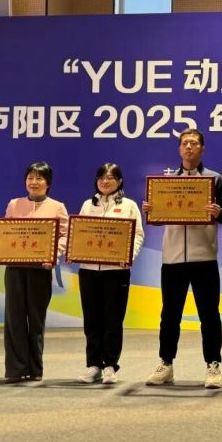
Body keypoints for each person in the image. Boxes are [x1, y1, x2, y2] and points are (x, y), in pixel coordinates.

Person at [143, 129, 222, 389]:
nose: (189, 147)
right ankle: (166, 364)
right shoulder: (165, 184)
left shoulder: (214, 180)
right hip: (172, 259)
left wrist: (218, 212)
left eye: (194, 143)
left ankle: (213, 364)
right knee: (170, 315)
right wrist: (151, 210)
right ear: (179, 149)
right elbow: (157, 217)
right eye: (185, 143)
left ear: (202, 149)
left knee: (209, 314)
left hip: (204, 257)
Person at [0, 162, 68, 383]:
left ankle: (35, 369)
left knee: (36, 319)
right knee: (13, 318)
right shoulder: (14, 204)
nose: (34, 182)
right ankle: (15, 369)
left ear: (48, 183)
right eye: (30, 178)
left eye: (39, 178)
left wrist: (53, 255)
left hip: (40, 270)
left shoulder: (57, 207)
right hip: (15, 269)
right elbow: (5, 235)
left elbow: (64, 236)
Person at [73, 163, 145, 385]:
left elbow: (138, 235)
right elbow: (80, 234)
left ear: (120, 181)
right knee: (91, 320)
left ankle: (110, 366)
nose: (105, 181)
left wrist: (128, 256)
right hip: (88, 270)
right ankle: (93, 365)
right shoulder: (88, 205)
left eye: (111, 177)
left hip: (116, 271)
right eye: (101, 177)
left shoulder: (129, 206)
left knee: (113, 320)